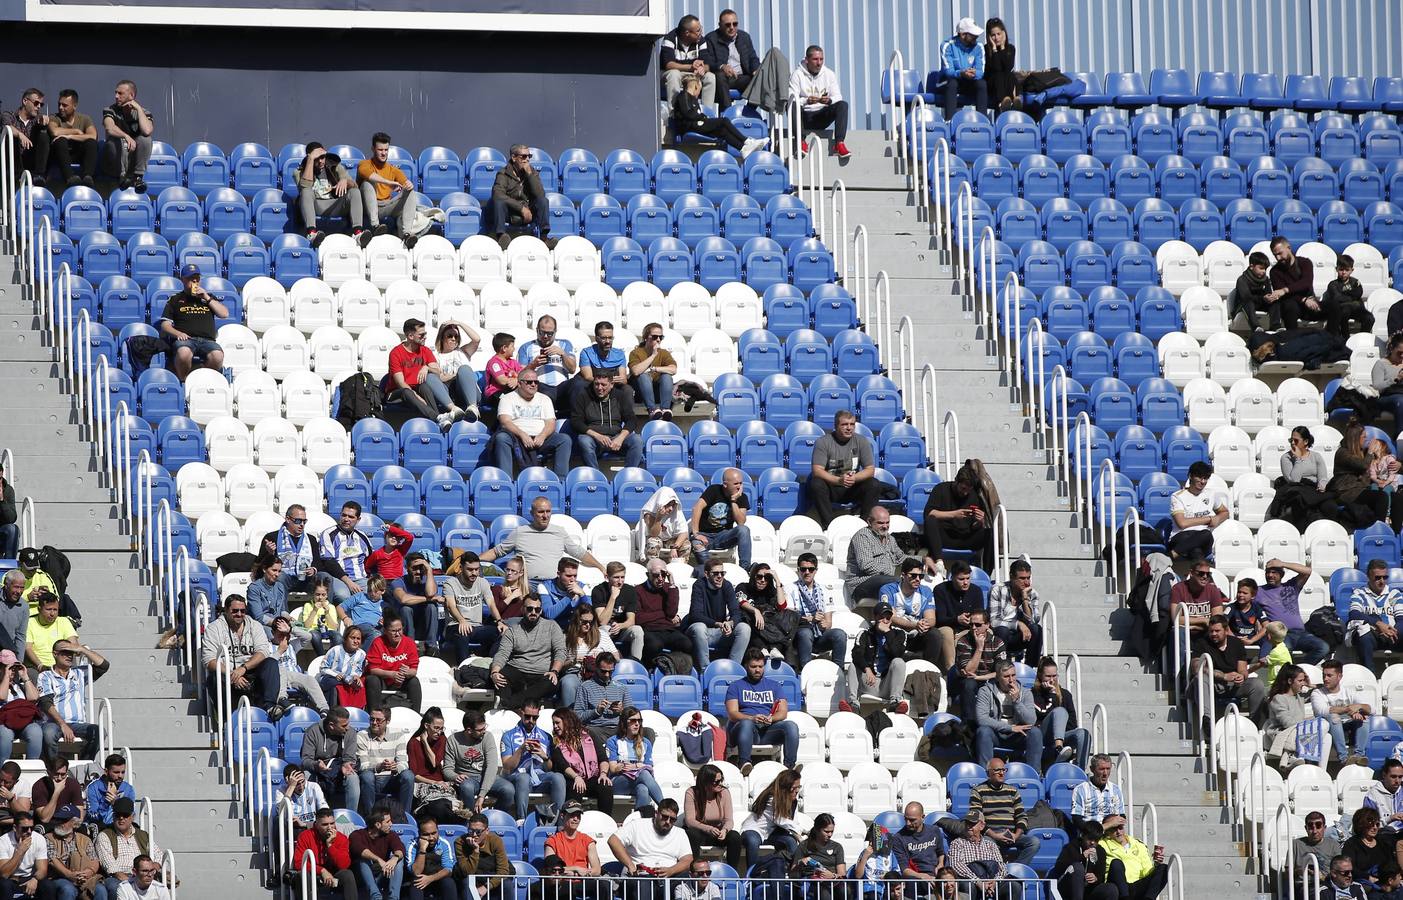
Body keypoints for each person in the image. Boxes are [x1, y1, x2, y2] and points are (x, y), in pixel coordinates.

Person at [480, 498, 605, 582]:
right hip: (528, 584)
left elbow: (579, 553)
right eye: (541, 512)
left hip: (553, 585)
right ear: (532, 513)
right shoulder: (520, 532)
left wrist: (601, 567)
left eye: (548, 511)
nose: (545, 516)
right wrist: (473, 560)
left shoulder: (559, 532)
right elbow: (496, 552)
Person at [200, 596, 279, 717]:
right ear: (226, 610)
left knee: (271, 663)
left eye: (242, 611)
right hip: (227, 675)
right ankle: (229, 721)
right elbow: (209, 660)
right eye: (235, 610)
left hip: (250, 672)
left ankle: (269, 708)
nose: (239, 614)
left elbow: (263, 652)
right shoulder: (214, 628)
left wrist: (243, 669)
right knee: (213, 679)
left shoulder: (254, 625)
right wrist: (233, 674)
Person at [491, 362, 572, 477]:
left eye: (536, 382)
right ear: (519, 383)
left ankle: (560, 481)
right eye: (529, 382)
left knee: (564, 439)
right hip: (517, 438)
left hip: (541, 438)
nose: (533, 384)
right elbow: (505, 422)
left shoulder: (544, 399)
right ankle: (505, 480)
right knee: (501, 438)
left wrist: (542, 436)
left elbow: (550, 423)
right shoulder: (507, 399)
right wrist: (522, 435)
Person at [726, 649, 799, 771]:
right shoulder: (735, 686)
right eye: (753, 666)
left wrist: (772, 718)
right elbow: (732, 714)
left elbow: (783, 712)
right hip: (743, 731)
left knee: (791, 726)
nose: (757, 670)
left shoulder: (774, 686)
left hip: (767, 730)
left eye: (760, 666)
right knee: (746, 724)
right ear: (746, 666)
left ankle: (789, 767)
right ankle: (744, 763)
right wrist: (752, 718)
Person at [922, 460, 998, 573]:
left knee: (990, 533)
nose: (965, 493)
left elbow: (974, 527)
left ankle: (986, 574)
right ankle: (939, 562)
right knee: (930, 521)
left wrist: (980, 521)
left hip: (965, 537)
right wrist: (954, 514)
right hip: (944, 537)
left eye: (969, 490)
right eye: (963, 488)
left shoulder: (974, 496)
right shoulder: (941, 489)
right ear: (956, 481)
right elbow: (929, 513)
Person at [490, 596, 565, 710]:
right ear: (523, 609)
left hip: (541, 673)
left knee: (552, 682)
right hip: (517, 669)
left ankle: (507, 705)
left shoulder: (552, 626)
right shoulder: (513, 630)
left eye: (537, 609)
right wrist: (495, 672)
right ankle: (510, 705)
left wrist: (554, 671)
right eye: (530, 609)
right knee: (501, 675)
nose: (533, 612)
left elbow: (560, 651)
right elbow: (502, 653)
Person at [607, 798, 693, 896]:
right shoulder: (637, 825)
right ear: (656, 813)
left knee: (689, 878)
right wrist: (630, 865)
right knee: (643, 883)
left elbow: (688, 859)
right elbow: (613, 840)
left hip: (668, 878)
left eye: (672, 819)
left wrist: (671, 870)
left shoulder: (680, 833)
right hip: (639, 876)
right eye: (665, 817)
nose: (668, 822)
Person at [386, 318, 461, 428]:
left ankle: (441, 420)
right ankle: (438, 417)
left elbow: (438, 373)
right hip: (396, 393)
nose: (425, 336)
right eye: (421, 334)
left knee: (425, 387)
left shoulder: (425, 351)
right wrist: (416, 396)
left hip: (417, 389)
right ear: (411, 336)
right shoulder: (396, 353)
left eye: (425, 333)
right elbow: (400, 383)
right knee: (407, 391)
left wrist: (427, 368)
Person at [158, 263, 228, 381]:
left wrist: (206, 297)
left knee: (218, 356)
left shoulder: (208, 297)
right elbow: (165, 325)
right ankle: (184, 381)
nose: (194, 281)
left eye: (197, 278)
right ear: (183, 280)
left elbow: (224, 314)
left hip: (208, 340)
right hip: (187, 340)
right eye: (190, 278)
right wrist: (178, 334)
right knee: (184, 353)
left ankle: (204, 380)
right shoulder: (175, 299)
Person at [38, 638, 107, 757]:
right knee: (49, 733)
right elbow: (45, 703)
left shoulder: (79, 673)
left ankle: (84, 766)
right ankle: (54, 769)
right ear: (55, 654)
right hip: (53, 723)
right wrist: (63, 725)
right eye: (65, 652)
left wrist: (82, 649)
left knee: (99, 732)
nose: (69, 656)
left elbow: (104, 666)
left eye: (72, 653)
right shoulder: (45, 676)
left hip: (77, 724)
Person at [810, 412, 880, 527]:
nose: (849, 428)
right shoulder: (823, 442)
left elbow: (870, 470)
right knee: (816, 484)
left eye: (852, 424)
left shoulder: (862, 441)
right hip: (831, 486)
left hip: (852, 486)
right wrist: (839, 480)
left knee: (874, 484)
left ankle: (864, 526)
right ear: (836, 426)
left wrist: (854, 478)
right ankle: (830, 526)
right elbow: (817, 470)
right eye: (844, 424)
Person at [500, 700, 566, 821]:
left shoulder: (546, 736)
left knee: (558, 777)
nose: (531, 721)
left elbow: (549, 768)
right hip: (517, 777)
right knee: (523, 777)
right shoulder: (508, 736)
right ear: (521, 713)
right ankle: (521, 820)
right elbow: (507, 767)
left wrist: (544, 756)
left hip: (539, 778)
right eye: (528, 716)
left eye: (535, 718)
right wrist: (521, 750)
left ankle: (559, 821)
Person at [669, 74, 764, 157]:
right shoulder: (683, 96)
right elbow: (688, 114)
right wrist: (703, 117)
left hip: (697, 124)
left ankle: (743, 149)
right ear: (696, 87)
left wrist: (703, 118)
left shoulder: (693, 98)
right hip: (689, 126)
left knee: (722, 131)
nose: (699, 93)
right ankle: (747, 141)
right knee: (724, 121)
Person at [969, 755, 1040, 866]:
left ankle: (1014, 872)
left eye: (1003, 770)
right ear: (988, 773)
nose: (1001, 773)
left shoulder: (1012, 790)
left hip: (1011, 833)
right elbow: (977, 819)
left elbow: (1021, 816)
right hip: (990, 834)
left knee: (1034, 842)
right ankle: (999, 872)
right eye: (997, 770)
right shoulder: (978, 791)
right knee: (987, 842)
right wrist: (995, 835)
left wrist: (1016, 835)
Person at [1193, 614, 1267, 720]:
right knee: (1200, 678)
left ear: (1226, 630)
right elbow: (1196, 668)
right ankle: (1207, 720)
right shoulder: (1202, 643)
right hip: (1212, 684)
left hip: (1232, 685)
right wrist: (1223, 676)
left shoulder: (1236, 643)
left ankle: (1254, 722)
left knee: (1257, 684)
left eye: (1217, 631)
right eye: (1211, 631)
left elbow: (1242, 669)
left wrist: (1241, 676)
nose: (1213, 634)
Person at [974, 660, 1043, 772]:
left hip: (1018, 735)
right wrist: (1010, 728)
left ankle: (1034, 774)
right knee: (983, 731)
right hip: (996, 733)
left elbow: (1031, 720)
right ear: (997, 678)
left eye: (1013, 675)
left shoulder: (1025, 693)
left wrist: (1017, 701)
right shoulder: (985, 691)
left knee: (1035, 732)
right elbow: (982, 719)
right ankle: (986, 774)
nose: (1011, 680)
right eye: (1006, 676)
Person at [1256, 559, 1328, 664]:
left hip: (1301, 633)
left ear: (1281, 575)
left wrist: (1283, 563)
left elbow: (1307, 571)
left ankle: (1299, 670)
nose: (1270, 575)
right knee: (1284, 653)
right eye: (1268, 572)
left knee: (1323, 648)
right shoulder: (1259, 591)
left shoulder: (1291, 586)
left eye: (1274, 572)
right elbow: (1248, 608)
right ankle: (1290, 674)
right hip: (1281, 634)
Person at [442, 710, 514, 815]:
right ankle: (471, 820)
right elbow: (447, 769)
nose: (484, 731)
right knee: (466, 787)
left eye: (485, 727)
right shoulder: (453, 740)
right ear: (469, 730)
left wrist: (482, 796)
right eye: (480, 730)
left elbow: (492, 766)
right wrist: (455, 776)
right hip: (468, 779)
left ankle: (493, 817)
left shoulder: (487, 737)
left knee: (509, 790)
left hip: (486, 776)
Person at [358, 132, 420, 248]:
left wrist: (408, 184)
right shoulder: (364, 164)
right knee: (367, 183)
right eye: (380, 150)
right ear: (373, 149)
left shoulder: (393, 170)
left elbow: (405, 183)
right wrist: (389, 182)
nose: (383, 153)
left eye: (386, 150)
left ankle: (407, 235)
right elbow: (369, 175)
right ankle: (376, 226)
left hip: (387, 206)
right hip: (368, 208)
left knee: (410, 192)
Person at [788, 46, 851, 160]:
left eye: (821, 59)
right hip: (804, 118)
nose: (819, 63)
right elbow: (791, 98)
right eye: (815, 59)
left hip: (821, 116)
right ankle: (800, 141)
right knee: (792, 104)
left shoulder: (829, 74)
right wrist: (806, 101)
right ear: (807, 60)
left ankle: (839, 144)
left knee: (843, 105)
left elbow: (838, 96)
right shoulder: (797, 75)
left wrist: (829, 100)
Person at [570, 371, 642, 470]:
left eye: (603, 385)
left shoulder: (620, 396)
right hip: (594, 439)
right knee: (584, 440)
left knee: (637, 440)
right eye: (596, 384)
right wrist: (597, 436)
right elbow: (576, 421)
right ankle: (595, 476)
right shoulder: (583, 396)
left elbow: (632, 420)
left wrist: (621, 437)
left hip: (616, 438)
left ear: (611, 384)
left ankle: (629, 474)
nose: (599, 388)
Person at [684, 559, 749, 669]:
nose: (720, 576)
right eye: (715, 573)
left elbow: (736, 612)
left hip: (720, 631)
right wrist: (718, 624)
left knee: (744, 628)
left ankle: (733, 668)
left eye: (722, 573)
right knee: (699, 627)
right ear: (706, 574)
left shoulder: (726, 585)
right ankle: (705, 670)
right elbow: (696, 615)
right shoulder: (699, 585)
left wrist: (730, 623)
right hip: (703, 632)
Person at [297, 142, 365, 245]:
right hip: (316, 206)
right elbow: (304, 187)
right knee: (306, 191)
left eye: (323, 157)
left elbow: (355, 185)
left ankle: (358, 234)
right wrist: (310, 160)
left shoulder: (334, 166)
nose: (321, 161)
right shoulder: (299, 172)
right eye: (317, 158)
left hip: (335, 204)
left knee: (354, 192)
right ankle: (311, 233)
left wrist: (346, 182)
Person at [789, 552, 847, 669]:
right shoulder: (790, 588)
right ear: (798, 570)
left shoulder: (824, 590)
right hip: (799, 634)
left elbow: (828, 622)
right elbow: (790, 618)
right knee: (805, 633)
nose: (807, 572)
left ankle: (838, 672)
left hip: (819, 635)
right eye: (803, 569)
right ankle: (805, 671)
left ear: (816, 570)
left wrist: (824, 624)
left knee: (840, 634)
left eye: (810, 569)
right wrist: (811, 619)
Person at [550, 708, 614, 812]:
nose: (555, 727)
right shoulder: (556, 742)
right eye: (553, 723)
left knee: (605, 785)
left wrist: (603, 774)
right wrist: (576, 777)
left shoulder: (589, 735)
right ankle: (573, 820)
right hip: (572, 779)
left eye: (557, 723)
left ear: (567, 721)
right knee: (576, 787)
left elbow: (602, 757)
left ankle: (606, 821)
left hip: (592, 778)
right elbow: (562, 765)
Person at [849, 603, 909, 714]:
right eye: (882, 617)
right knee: (853, 665)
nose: (885, 620)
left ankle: (895, 701)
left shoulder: (899, 633)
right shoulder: (865, 634)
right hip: (869, 682)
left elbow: (897, 653)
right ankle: (853, 703)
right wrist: (867, 669)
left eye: (888, 617)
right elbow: (856, 654)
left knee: (898, 662)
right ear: (875, 617)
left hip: (887, 684)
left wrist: (887, 633)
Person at [356, 705, 415, 817]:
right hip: (372, 778)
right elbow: (363, 765)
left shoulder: (398, 735)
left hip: (391, 778)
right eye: (372, 719)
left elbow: (403, 762)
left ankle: (405, 816)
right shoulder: (361, 736)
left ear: (387, 721)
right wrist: (378, 767)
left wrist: (395, 767)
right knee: (366, 776)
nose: (374, 723)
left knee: (408, 776)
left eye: (378, 720)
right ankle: (371, 817)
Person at [689, 468, 753, 571]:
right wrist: (696, 533)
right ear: (725, 484)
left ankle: (745, 569)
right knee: (696, 544)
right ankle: (710, 571)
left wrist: (733, 500)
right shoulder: (714, 490)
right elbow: (697, 508)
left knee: (744, 530)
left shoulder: (742, 497)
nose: (739, 487)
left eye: (741, 483)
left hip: (724, 535)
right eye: (736, 484)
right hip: (705, 535)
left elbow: (741, 522)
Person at [1311, 659, 1373, 764]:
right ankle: (1344, 758)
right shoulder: (1317, 693)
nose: (1325, 679)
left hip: (1347, 725)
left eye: (1329, 675)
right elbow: (1322, 710)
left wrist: (1359, 707)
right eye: (1324, 675)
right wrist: (1350, 709)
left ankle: (1359, 755)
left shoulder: (1348, 692)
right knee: (1333, 716)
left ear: (1339, 676)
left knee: (1364, 718)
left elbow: (1371, 709)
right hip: (1328, 727)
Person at [443, 551, 501, 662]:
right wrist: (462, 620)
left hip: (476, 627)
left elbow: (491, 604)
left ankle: (490, 664)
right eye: (470, 570)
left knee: (500, 632)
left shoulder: (482, 582)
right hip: (455, 626)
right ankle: (463, 667)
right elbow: (451, 606)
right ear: (461, 568)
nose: (474, 573)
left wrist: (499, 621)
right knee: (462, 632)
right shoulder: (450, 583)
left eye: (476, 569)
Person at [634, 560, 693, 667]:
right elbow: (639, 618)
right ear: (648, 575)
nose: (660, 578)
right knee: (655, 645)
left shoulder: (670, 589)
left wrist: (672, 584)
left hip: (668, 629)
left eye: (664, 574)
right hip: (649, 629)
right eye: (656, 575)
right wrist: (664, 614)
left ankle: (675, 669)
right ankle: (649, 670)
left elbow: (671, 612)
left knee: (686, 644)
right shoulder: (638, 590)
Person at [491, 144, 551, 248]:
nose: (527, 159)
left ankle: (544, 238)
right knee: (499, 202)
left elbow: (540, 194)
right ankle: (501, 237)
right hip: (510, 213)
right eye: (523, 156)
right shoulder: (503, 174)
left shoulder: (532, 172)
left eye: (529, 156)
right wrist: (521, 208)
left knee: (543, 201)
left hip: (529, 213)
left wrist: (530, 175)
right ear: (514, 158)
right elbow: (497, 194)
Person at [301, 708, 360, 814]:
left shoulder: (350, 732)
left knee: (353, 777)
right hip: (318, 769)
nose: (347, 728)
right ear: (332, 725)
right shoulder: (313, 731)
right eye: (343, 726)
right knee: (306, 774)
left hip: (339, 768)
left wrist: (347, 764)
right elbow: (305, 760)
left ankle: (352, 816)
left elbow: (350, 758)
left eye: (348, 724)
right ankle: (309, 814)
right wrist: (316, 765)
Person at [96, 799, 160, 896]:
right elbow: (110, 866)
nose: (121, 818)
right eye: (118, 815)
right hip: (118, 877)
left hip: (143, 874)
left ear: (132, 817)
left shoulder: (142, 835)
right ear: (113, 816)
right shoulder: (105, 835)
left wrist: (153, 867)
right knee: (116, 887)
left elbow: (158, 854)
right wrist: (133, 881)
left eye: (125, 815)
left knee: (161, 885)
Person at [739, 769, 801, 870]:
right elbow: (780, 820)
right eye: (794, 787)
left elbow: (793, 822)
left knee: (790, 841)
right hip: (754, 830)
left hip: (772, 833)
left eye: (799, 787)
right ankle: (753, 876)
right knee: (753, 841)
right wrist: (800, 836)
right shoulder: (771, 798)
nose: (797, 790)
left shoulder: (793, 801)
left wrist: (800, 834)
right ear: (786, 786)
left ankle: (792, 874)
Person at [1167, 462, 1228, 561]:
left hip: (1204, 538)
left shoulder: (1211, 494)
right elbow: (1182, 523)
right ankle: (1202, 571)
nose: (1203, 481)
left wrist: (1218, 518)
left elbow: (1225, 512)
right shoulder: (1177, 496)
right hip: (1181, 537)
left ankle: (1171, 555)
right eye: (1199, 477)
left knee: (1206, 535)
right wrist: (1208, 519)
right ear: (1190, 476)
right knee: (1197, 549)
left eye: (1206, 478)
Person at [684, 764, 741, 869]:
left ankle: (732, 873)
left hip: (717, 833)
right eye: (716, 782)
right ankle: (695, 870)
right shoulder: (691, 793)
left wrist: (724, 830)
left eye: (721, 780)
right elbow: (690, 821)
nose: (720, 784)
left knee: (735, 837)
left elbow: (729, 820)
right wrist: (709, 829)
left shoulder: (724, 792)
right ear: (705, 782)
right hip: (699, 832)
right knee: (692, 834)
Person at [1032, 657, 1087, 767]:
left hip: (1062, 735)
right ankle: (1058, 748)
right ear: (1040, 676)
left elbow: (1072, 724)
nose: (1051, 680)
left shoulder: (1065, 694)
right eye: (1048, 676)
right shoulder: (1033, 694)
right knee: (1060, 711)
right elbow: (1040, 715)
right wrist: (1051, 695)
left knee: (1083, 733)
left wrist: (1060, 729)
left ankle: (1080, 770)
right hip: (1043, 735)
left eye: (1054, 676)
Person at [559, 604, 617, 708]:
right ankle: (570, 718)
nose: (588, 625)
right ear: (576, 620)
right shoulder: (566, 637)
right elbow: (559, 665)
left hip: (597, 673)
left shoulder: (601, 635)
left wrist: (601, 658)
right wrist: (573, 660)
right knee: (568, 682)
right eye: (584, 622)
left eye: (591, 622)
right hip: (575, 673)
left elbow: (617, 658)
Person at [101, 80, 154, 192]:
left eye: (120, 93)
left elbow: (147, 131)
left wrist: (138, 109)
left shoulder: (144, 112)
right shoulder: (110, 110)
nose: (116, 96)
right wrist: (126, 136)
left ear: (131, 95)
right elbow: (109, 128)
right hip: (114, 163)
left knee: (145, 139)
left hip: (132, 162)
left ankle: (138, 178)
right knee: (117, 141)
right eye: (116, 93)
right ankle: (122, 177)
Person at [606, 706, 664, 810]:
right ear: (624, 722)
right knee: (643, 773)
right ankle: (664, 807)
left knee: (643, 789)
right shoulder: (613, 741)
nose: (637, 723)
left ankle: (640, 821)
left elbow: (649, 767)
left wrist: (635, 766)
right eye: (633, 720)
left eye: (639, 720)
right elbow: (613, 768)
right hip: (619, 782)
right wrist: (622, 766)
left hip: (639, 780)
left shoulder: (646, 743)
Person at [702, 9, 760, 112]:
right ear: (720, 25)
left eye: (735, 24)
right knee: (720, 75)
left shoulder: (744, 37)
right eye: (728, 25)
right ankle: (727, 113)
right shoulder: (711, 38)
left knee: (760, 78)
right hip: (722, 79)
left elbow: (752, 57)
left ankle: (748, 112)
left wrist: (755, 69)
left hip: (742, 77)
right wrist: (722, 66)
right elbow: (707, 61)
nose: (732, 27)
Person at [1349, 559, 1403, 670]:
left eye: (1385, 577)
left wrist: (1391, 631)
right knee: (1363, 635)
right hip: (1372, 635)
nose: (1382, 581)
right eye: (1377, 578)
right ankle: (1370, 676)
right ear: (1369, 576)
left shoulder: (1394, 593)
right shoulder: (1359, 593)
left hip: (1393, 635)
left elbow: (1401, 618)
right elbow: (1354, 614)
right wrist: (1378, 624)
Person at [291, 807, 356, 898]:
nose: (330, 827)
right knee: (302, 875)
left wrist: (330, 845)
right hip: (313, 874)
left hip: (334, 873)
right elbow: (299, 863)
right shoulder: (305, 836)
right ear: (316, 824)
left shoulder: (341, 838)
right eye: (325, 824)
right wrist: (322, 871)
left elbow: (344, 865)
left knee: (347, 874)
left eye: (332, 823)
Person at [1099, 813, 1167, 900]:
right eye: (1113, 828)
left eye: (1120, 827)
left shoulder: (1138, 844)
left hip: (1138, 885)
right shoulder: (1102, 843)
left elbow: (1147, 870)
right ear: (1107, 831)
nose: (1118, 832)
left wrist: (1156, 865)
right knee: (1116, 863)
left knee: (1164, 868)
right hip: (1118, 886)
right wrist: (1109, 824)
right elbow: (1088, 835)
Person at [953, 608, 1006, 718]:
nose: (973, 628)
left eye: (978, 625)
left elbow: (1002, 672)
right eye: (971, 625)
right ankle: (969, 726)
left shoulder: (997, 642)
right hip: (970, 681)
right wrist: (979, 648)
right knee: (968, 684)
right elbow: (969, 671)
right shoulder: (963, 641)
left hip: (990, 679)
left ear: (987, 625)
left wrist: (980, 677)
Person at [988, 558, 1042, 665]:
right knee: (1002, 630)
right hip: (1000, 635)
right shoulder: (997, 590)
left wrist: (1025, 599)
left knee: (1036, 629)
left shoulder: (1032, 593)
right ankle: (1000, 668)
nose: (1027, 582)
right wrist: (1018, 624)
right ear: (1012, 577)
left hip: (1021, 636)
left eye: (1028, 578)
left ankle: (1030, 669)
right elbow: (994, 622)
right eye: (1022, 578)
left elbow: (1034, 621)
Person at [844, 506, 904, 603]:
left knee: (914, 582)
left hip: (886, 579)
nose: (885, 526)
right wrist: (892, 573)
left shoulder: (890, 539)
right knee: (899, 582)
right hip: (861, 584)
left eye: (887, 522)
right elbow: (866, 565)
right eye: (880, 523)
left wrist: (922, 560)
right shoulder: (862, 537)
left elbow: (901, 558)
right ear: (869, 522)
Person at [736, 562, 794, 661]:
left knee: (791, 615)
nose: (762, 580)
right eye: (759, 577)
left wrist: (777, 581)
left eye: (766, 578)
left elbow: (781, 605)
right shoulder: (743, 587)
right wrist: (756, 611)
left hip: (769, 627)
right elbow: (741, 601)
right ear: (754, 576)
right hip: (753, 625)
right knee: (748, 616)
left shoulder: (771, 591)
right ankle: (763, 648)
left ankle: (775, 648)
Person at [365, 612, 422, 712]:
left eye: (400, 630)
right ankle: (374, 714)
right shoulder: (378, 642)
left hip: (402, 680)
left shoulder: (409, 643)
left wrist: (408, 672)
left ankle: (415, 715)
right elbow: (373, 669)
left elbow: (414, 670)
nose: (397, 633)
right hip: (383, 680)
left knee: (414, 681)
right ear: (385, 631)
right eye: (393, 631)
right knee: (371, 679)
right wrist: (392, 674)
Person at [576, 321, 634, 415]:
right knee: (580, 386)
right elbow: (588, 376)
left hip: (612, 384)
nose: (607, 341)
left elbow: (624, 379)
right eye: (603, 338)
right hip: (594, 383)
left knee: (628, 389)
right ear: (596, 338)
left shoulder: (619, 354)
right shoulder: (586, 352)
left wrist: (617, 381)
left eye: (610, 338)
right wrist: (605, 382)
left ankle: (628, 418)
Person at [43, 801, 99, 899]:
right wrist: (69, 874)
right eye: (58, 819)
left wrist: (89, 871)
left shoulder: (85, 839)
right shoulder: (48, 838)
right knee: (68, 889)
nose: (59, 823)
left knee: (100, 890)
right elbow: (53, 860)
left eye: (64, 820)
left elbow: (94, 860)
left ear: (75, 823)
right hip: (59, 877)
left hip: (84, 877)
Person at [518, 316, 577, 409]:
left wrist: (562, 354)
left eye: (549, 334)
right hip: (540, 386)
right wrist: (533, 364)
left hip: (562, 386)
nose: (545, 336)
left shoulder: (565, 344)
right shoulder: (526, 347)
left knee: (579, 383)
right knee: (542, 392)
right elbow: (520, 375)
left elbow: (572, 369)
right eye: (542, 332)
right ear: (537, 330)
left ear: (555, 332)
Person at [1169, 560, 1225, 653]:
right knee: (1177, 633)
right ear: (1191, 573)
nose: (1205, 577)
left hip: (1205, 632)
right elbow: (1176, 619)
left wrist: (1194, 626)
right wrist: (1204, 620)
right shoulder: (1178, 589)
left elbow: (1217, 621)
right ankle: (1180, 667)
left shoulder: (1213, 590)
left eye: (1208, 574)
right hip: (1185, 633)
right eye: (1201, 573)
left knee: (1218, 632)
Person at [351, 804, 406, 900]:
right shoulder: (357, 835)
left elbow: (400, 848)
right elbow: (359, 849)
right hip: (362, 878)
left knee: (399, 861)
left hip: (383, 874)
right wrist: (378, 860)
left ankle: (393, 898)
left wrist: (395, 858)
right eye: (387, 821)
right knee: (363, 860)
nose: (391, 824)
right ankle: (376, 897)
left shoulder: (390, 834)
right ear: (377, 824)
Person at [392, 553, 445, 652]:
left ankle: (432, 646)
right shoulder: (398, 582)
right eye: (414, 568)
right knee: (405, 608)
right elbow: (403, 599)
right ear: (407, 568)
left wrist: (429, 569)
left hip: (424, 625)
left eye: (421, 568)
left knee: (431, 607)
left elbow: (430, 593)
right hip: (405, 627)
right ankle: (410, 645)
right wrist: (430, 599)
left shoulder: (428, 580)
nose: (418, 572)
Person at [431, 322, 483, 422]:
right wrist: (458, 375)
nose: (454, 339)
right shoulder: (436, 356)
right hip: (451, 395)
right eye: (450, 336)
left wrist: (459, 323)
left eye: (456, 336)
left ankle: (472, 408)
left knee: (464, 369)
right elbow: (440, 378)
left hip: (469, 394)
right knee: (431, 377)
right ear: (442, 337)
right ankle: (454, 410)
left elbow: (477, 339)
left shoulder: (463, 351)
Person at [660, 15, 716, 107]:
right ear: (687, 33)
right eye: (698, 30)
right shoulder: (670, 39)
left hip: (693, 74)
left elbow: (707, 64)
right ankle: (673, 114)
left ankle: (707, 114)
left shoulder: (701, 41)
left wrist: (702, 68)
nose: (700, 32)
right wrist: (691, 67)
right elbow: (668, 65)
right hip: (673, 74)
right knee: (674, 74)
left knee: (710, 77)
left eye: (700, 29)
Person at [593, 563, 644, 662]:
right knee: (604, 629)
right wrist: (613, 597)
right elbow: (602, 621)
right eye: (616, 577)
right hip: (606, 630)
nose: (620, 581)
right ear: (607, 577)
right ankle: (606, 663)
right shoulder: (598, 591)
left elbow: (631, 621)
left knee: (637, 630)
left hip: (622, 630)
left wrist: (620, 626)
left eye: (622, 577)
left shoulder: (630, 590)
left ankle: (636, 663)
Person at [1268, 237, 1321, 331]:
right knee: (1289, 305)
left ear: (1289, 248)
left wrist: (1285, 290)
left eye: (1280, 253)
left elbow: (1306, 283)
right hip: (1293, 306)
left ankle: (1335, 339)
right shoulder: (1275, 272)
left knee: (1334, 306)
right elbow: (1283, 297)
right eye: (1275, 255)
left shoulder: (1305, 263)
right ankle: (1292, 339)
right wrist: (1303, 299)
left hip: (1311, 304)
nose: (1278, 258)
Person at [454, 812, 511, 900]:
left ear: (487, 831)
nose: (474, 835)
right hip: (473, 876)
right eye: (470, 831)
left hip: (491, 876)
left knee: (507, 884)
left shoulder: (496, 841)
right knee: (467, 882)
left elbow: (503, 871)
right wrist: (475, 850)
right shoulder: (460, 842)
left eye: (478, 832)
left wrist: (486, 887)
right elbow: (467, 872)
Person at [46, 90, 97, 188]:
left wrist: (69, 136)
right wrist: (76, 131)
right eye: (59, 104)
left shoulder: (84, 119)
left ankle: (88, 177)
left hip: (77, 153)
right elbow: (55, 132)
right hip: (60, 156)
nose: (61, 108)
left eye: (64, 105)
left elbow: (93, 136)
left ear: (74, 106)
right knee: (60, 141)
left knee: (91, 143)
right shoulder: (54, 117)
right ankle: (70, 178)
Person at [945, 810, 1006, 891]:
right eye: (967, 823)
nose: (968, 826)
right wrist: (977, 881)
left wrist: (995, 881)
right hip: (971, 882)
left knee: (1014, 885)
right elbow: (956, 865)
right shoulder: (957, 843)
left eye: (972, 824)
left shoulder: (991, 845)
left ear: (982, 826)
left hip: (992, 880)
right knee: (968, 886)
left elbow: (1001, 866)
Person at [939, 18, 988, 118]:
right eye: (973, 34)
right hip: (949, 82)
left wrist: (974, 73)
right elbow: (948, 71)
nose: (976, 36)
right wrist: (962, 73)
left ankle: (983, 121)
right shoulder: (947, 45)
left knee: (982, 84)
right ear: (962, 34)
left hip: (969, 81)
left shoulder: (979, 47)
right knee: (952, 83)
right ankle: (950, 121)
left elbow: (981, 71)